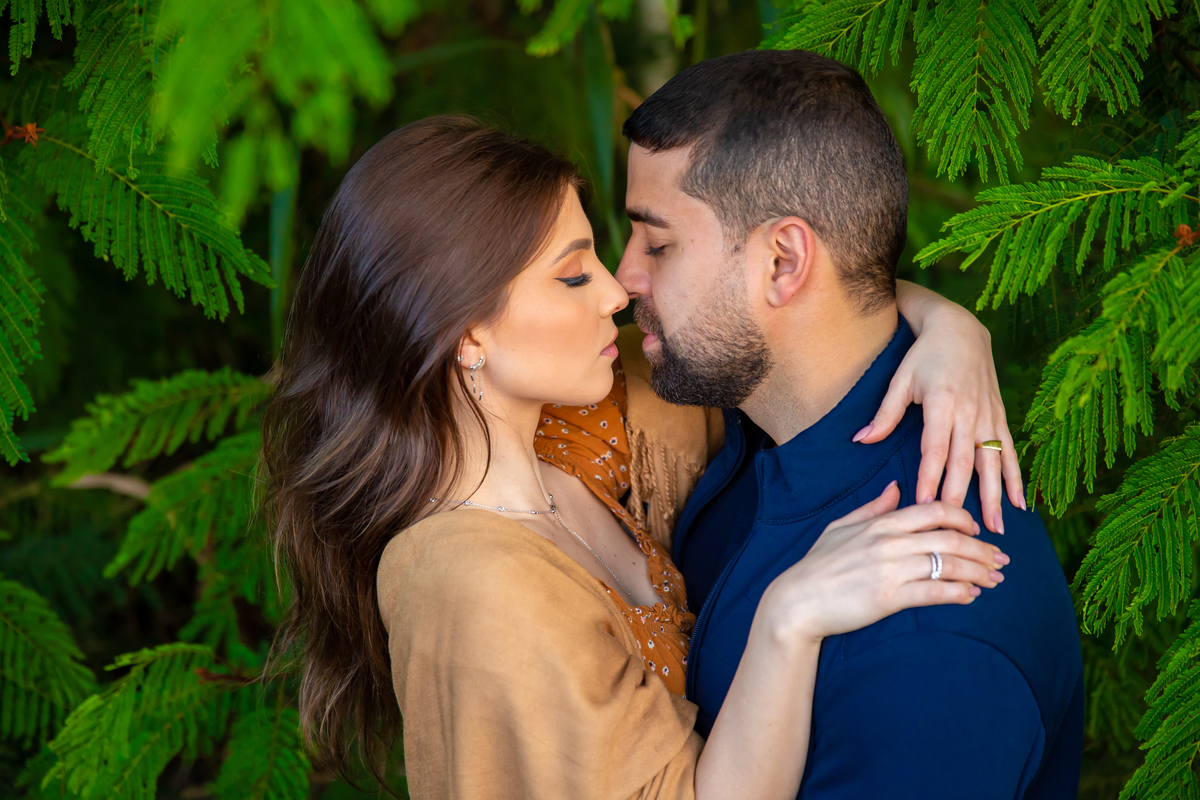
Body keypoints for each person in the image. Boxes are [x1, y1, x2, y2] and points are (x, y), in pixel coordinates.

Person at [262, 116, 1013, 800]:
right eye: (571, 276)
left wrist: (947, 329)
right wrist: (792, 617)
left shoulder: (581, 430)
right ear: (465, 334)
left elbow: (781, 318)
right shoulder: (473, 583)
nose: (616, 293)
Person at [617, 50, 1084, 798]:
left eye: (658, 243)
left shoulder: (931, 644)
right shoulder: (757, 412)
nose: (624, 279)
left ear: (783, 262)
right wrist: (948, 318)